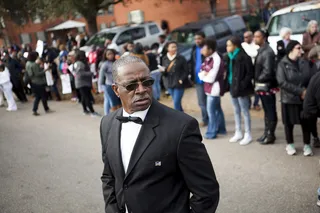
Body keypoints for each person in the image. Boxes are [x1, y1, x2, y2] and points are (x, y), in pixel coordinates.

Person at [100, 55, 220, 213]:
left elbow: (206, 192)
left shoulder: (181, 127)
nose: (142, 90)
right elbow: (109, 176)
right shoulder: (107, 123)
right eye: (131, 85)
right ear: (116, 90)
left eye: (147, 82)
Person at [277, 40, 316, 156]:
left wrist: (307, 91)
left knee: (306, 122)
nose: (301, 50)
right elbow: (282, 82)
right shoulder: (282, 64)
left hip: (304, 98)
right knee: (289, 123)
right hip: (288, 98)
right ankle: (290, 144)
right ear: (291, 50)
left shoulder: (304, 63)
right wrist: (300, 91)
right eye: (298, 48)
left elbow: (310, 78)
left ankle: (307, 145)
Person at [226, 36, 254, 145]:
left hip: (242, 89)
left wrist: (242, 84)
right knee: (236, 110)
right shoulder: (229, 57)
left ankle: (248, 133)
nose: (227, 47)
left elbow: (250, 73)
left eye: (229, 45)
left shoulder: (244, 57)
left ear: (235, 45)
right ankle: (238, 132)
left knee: (245, 111)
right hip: (233, 87)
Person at [198, 39, 226, 139]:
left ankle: (212, 132)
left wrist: (204, 75)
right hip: (209, 89)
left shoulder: (217, 59)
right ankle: (222, 129)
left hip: (214, 89)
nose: (202, 50)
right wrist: (204, 75)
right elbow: (200, 73)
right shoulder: (207, 58)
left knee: (211, 111)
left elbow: (211, 78)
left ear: (210, 49)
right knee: (217, 109)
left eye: (204, 48)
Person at [254, 30, 278, 145]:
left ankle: (270, 135)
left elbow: (268, 71)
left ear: (263, 37)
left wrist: (258, 79)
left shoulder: (268, 52)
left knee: (270, 111)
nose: (255, 38)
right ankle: (266, 133)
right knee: (267, 111)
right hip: (262, 85)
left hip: (267, 86)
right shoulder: (261, 50)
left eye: (257, 36)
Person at [160, 41, 188, 111]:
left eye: (175, 46)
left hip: (178, 84)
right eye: (172, 47)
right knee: (178, 104)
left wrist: (181, 79)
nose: (174, 48)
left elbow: (186, 70)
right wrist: (163, 71)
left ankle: (179, 121)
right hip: (169, 84)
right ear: (167, 48)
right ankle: (184, 119)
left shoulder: (181, 58)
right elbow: (165, 72)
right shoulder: (164, 58)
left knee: (176, 104)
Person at [74, 50, 100, 117]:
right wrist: (91, 73)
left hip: (83, 83)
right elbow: (80, 74)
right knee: (87, 97)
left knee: (83, 97)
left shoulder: (79, 63)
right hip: (82, 83)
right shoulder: (79, 63)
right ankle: (92, 112)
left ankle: (85, 110)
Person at [26, 52, 52, 116]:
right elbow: (38, 74)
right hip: (39, 82)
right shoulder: (34, 64)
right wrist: (45, 70)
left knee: (38, 96)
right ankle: (46, 108)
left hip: (33, 82)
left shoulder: (28, 63)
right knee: (43, 96)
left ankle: (35, 109)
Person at [191, 31, 208, 126]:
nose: (197, 41)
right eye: (196, 39)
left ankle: (212, 119)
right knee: (201, 102)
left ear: (204, 39)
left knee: (209, 101)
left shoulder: (207, 48)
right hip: (197, 80)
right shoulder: (194, 49)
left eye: (199, 39)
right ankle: (205, 119)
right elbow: (192, 63)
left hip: (207, 79)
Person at [241, 31, 261, 111]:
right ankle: (248, 104)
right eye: (244, 37)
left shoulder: (256, 45)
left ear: (251, 37)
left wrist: (249, 54)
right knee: (248, 87)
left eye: (247, 37)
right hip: (247, 70)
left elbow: (255, 54)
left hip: (256, 68)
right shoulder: (242, 45)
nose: (245, 39)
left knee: (256, 87)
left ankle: (256, 103)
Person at [99, 49, 121, 115]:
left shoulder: (117, 62)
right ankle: (113, 117)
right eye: (108, 54)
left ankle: (121, 115)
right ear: (105, 56)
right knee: (113, 103)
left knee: (120, 102)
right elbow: (101, 76)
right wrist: (101, 87)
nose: (110, 55)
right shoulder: (105, 64)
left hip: (118, 85)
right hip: (109, 85)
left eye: (111, 54)